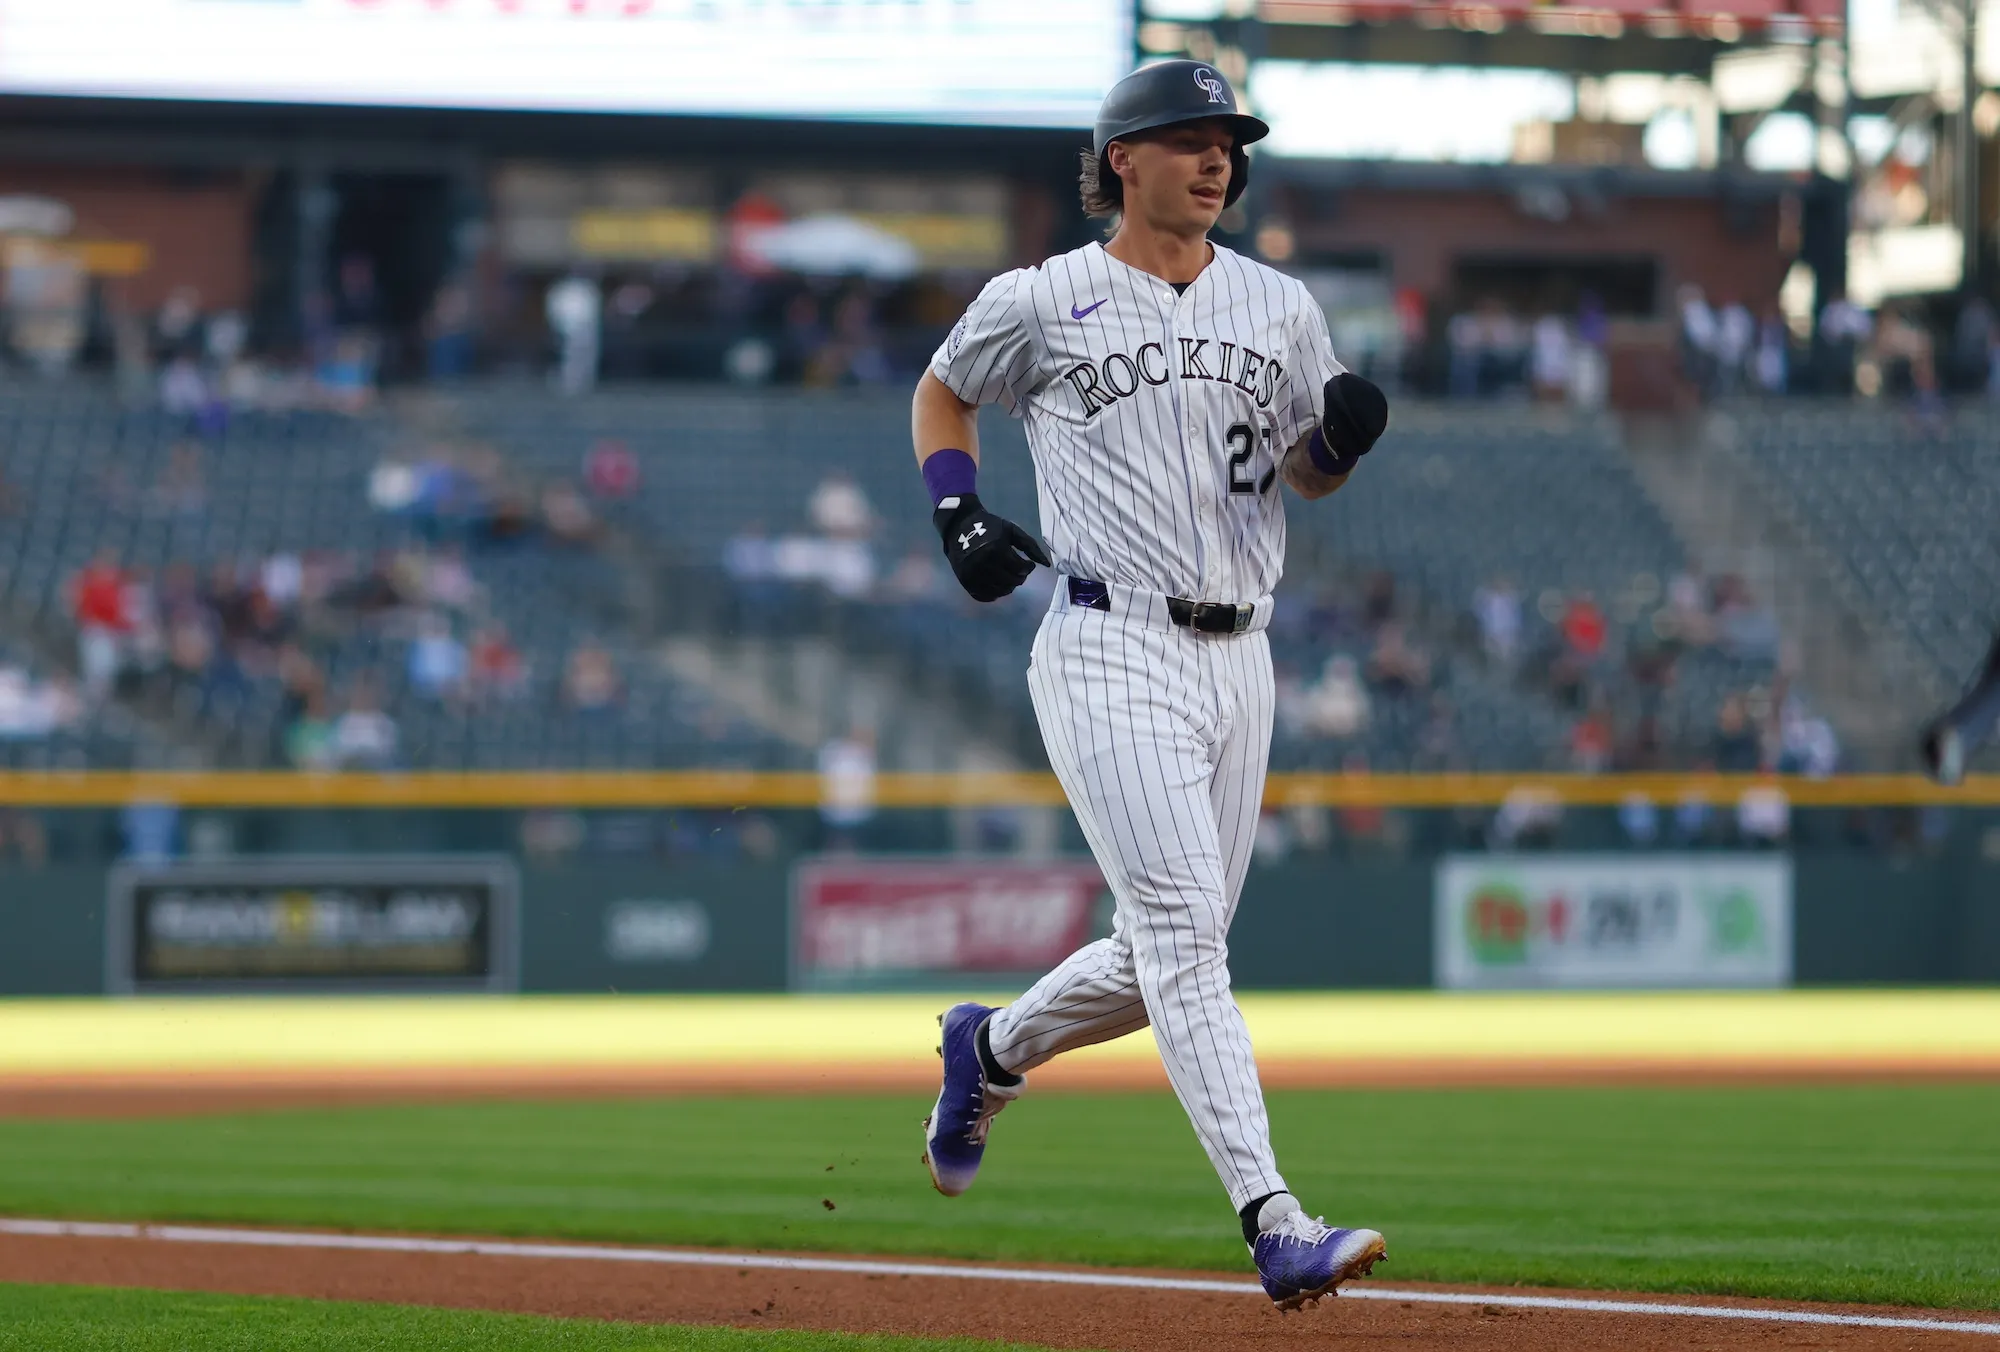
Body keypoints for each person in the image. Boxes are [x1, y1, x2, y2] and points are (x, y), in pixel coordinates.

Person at [909, 60, 1388, 1309]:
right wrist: (956, 513)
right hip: (1107, 639)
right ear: (1122, 158)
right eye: (1189, 137)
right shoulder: (1042, 297)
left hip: (1244, 653)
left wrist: (1333, 443)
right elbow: (944, 387)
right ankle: (1274, 1219)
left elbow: (1297, 472)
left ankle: (993, 1045)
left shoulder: (1278, 306)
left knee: (1168, 949)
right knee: (1184, 939)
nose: (1217, 157)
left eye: (1229, 138)